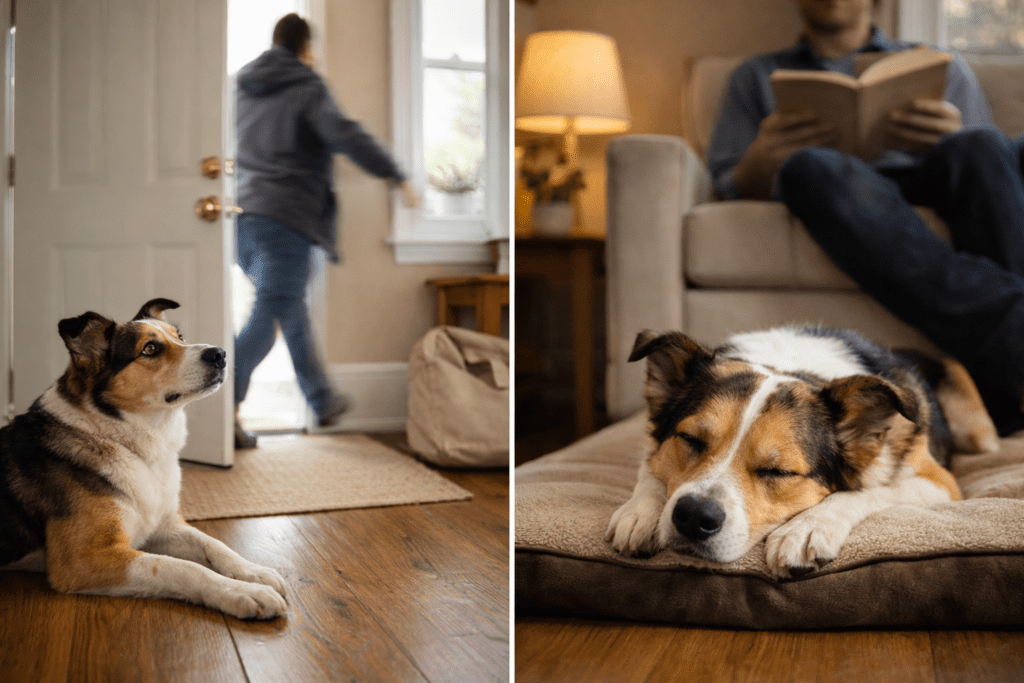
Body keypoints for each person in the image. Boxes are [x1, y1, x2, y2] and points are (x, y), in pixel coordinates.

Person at [707, 0, 1024, 434]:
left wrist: (954, 135)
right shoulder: (755, 76)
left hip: (922, 180)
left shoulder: (938, 65)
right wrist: (761, 157)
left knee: (982, 145)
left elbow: (997, 174)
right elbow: (728, 183)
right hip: (836, 194)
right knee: (811, 166)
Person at [233, 13, 418, 448]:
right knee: (272, 311)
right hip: (287, 217)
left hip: (244, 218)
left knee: (288, 309)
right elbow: (346, 135)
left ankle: (321, 399)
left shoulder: (241, 86)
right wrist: (397, 174)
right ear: (305, 48)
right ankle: (217, 408)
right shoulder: (305, 84)